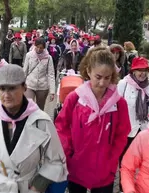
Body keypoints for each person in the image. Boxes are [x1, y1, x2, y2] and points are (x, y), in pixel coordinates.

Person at [0, 64, 67, 193]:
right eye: (2, 88)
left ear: (24, 87)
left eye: (12, 88)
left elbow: (55, 160)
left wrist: (37, 187)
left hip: (27, 188)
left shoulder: (40, 121)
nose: (6, 95)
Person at [55, 46, 131, 193]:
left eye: (107, 78)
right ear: (88, 71)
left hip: (104, 169)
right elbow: (61, 127)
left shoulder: (119, 104)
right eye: (98, 77)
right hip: (77, 165)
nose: (102, 83)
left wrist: (111, 159)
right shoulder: (75, 98)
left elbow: (122, 134)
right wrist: (69, 153)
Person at [117, 57, 149, 192]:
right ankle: (124, 189)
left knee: (145, 163)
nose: (142, 73)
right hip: (128, 132)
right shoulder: (123, 84)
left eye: (145, 70)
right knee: (125, 164)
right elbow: (115, 105)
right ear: (133, 70)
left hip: (146, 131)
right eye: (139, 70)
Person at [23, 38, 55, 110]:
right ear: (35, 46)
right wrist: (21, 85)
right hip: (30, 84)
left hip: (42, 86)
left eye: (41, 48)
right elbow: (25, 71)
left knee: (39, 108)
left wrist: (52, 91)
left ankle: (38, 120)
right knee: (28, 106)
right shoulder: (29, 55)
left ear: (44, 48)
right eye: (37, 47)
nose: (38, 49)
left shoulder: (48, 58)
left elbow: (51, 74)